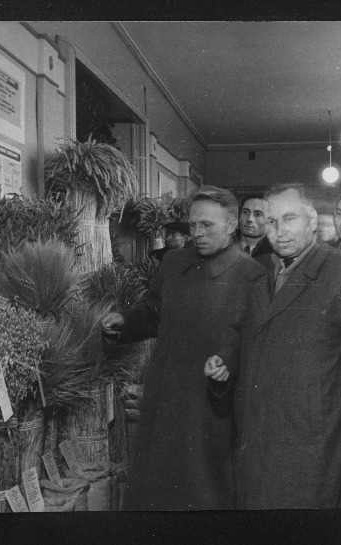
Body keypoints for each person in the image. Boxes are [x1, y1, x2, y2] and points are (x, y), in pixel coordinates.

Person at [232, 185, 341, 509]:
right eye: (271, 221)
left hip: (312, 439)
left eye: (289, 218)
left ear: (311, 222)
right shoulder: (261, 270)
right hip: (258, 432)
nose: (279, 230)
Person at [101, 185, 264, 510]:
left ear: (231, 225)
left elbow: (256, 347)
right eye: (193, 225)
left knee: (201, 493)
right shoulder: (174, 263)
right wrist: (125, 323)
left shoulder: (252, 276)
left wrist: (226, 369)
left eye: (208, 226)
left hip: (211, 408)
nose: (198, 233)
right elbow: (153, 312)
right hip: (163, 397)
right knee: (155, 490)